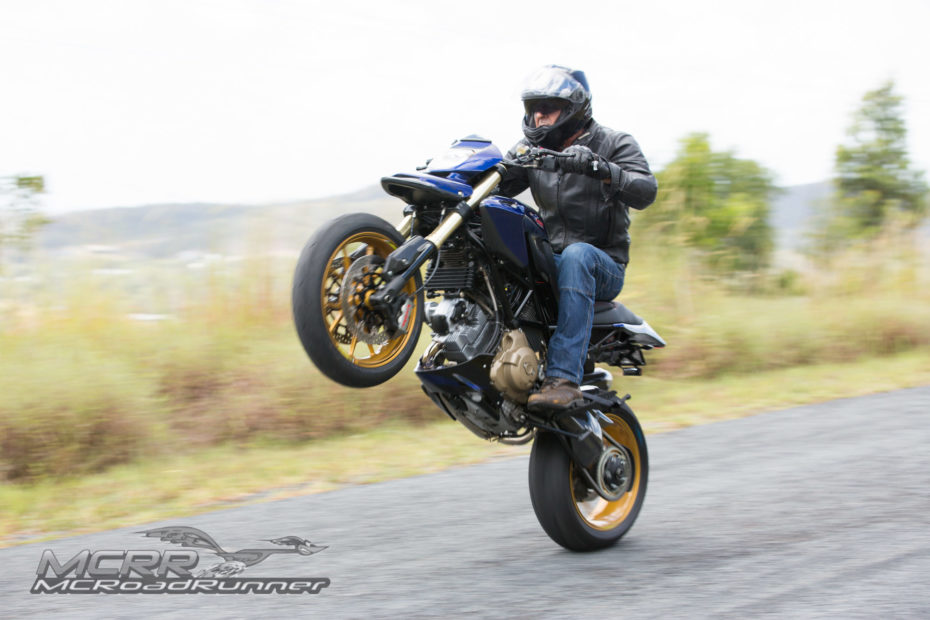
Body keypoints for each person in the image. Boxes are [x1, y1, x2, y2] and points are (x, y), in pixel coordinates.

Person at [498, 65, 657, 410]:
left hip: (602, 265)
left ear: (573, 109)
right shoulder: (531, 151)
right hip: (553, 262)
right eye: (533, 109)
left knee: (577, 255)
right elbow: (497, 186)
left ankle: (563, 379)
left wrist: (600, 168)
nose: (538, 116)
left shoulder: (614, 143)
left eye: (548, 108)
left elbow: (645, 190)